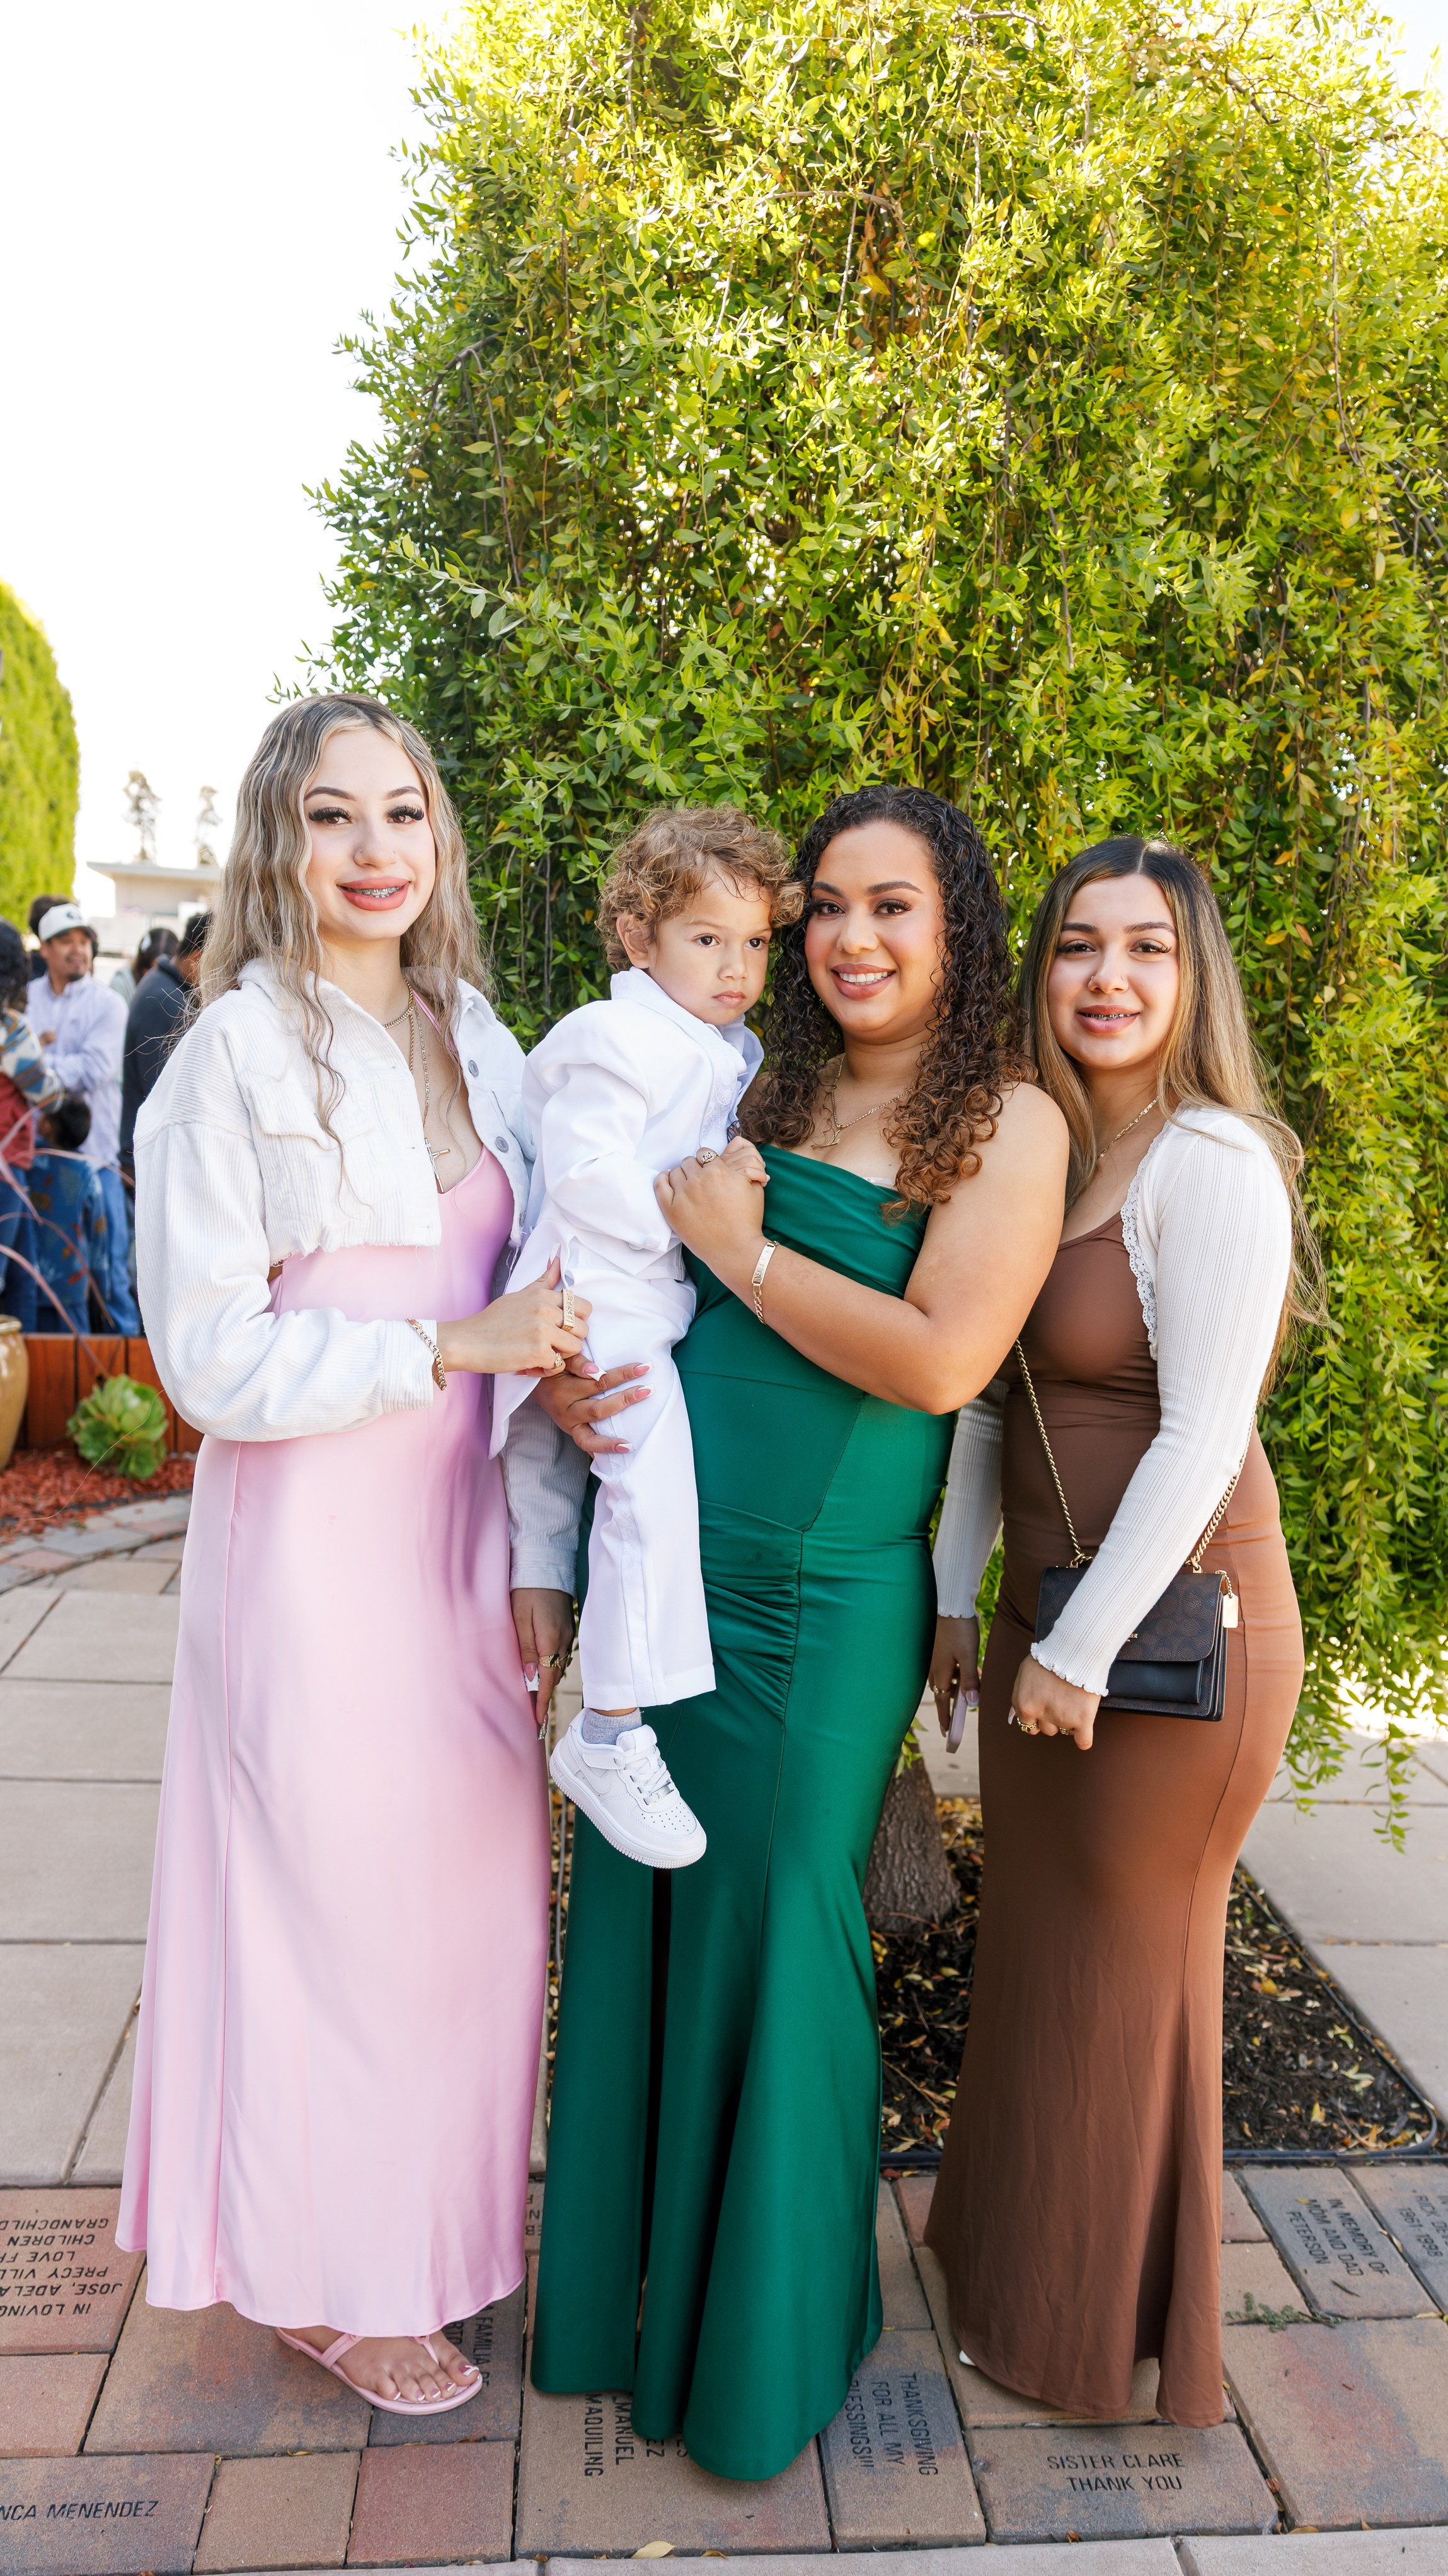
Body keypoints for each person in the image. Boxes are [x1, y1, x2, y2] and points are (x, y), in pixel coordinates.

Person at [520, 783, 1067, 2481]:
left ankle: (758, 2348)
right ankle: (641, 2312)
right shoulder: (760, 1074)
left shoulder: (1006, 1120)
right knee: (653, 1904)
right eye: (823, 905)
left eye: (888, 906)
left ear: (953, 930)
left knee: (785, 1923)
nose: (845, 935)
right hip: (665, 1569)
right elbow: (624, 1256)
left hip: (824, 1601)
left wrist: (741, 1249)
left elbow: (934, 1365)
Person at [118, 691, 586, 2417]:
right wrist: (448, 1351)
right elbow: (208, 1366)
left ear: (438, 840)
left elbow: (557, 1260)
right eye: (334, 817)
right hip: (313, 1558)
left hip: (461, 1545)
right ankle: (327, 2280)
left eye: (402, 813)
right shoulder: (231, 1057)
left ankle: (432, 2240)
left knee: (466, 1912)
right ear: (278, 842)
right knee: (327, 1911)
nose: (374, 850)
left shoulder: (479, 1034)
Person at [924, 833, 1316, 2429]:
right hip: (1046, 1621)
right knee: (1041, 1956)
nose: (1105, 978)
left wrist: (1075, 1652)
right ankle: (1003, 2278)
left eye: (1144, 948)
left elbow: (1205, 1430)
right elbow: (975, 1398)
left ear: (1190, 974)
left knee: (1122, 1975)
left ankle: (1084, 2343)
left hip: (1172, 1652)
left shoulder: (1210, 1161)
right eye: (1078, 946)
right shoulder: (1045, 1151)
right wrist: (963, 1598)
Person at [494, 807, 801, 1868]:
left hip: (636, 1296)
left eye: (755, 942)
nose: (736, 965)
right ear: (636, 938)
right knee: (646, 1486)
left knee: (619, 1482)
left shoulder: (709, 1044)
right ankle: (612, 1728)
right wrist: (704, 1210)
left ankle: (609, 1707)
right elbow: (582, 1177)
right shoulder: (615, 1035)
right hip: (596, 1293)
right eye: (707, 939)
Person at [26, 901, 141, 1334]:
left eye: (84, 941)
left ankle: (128, 1383)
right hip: (31, 1162)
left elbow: (94, 1069)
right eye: (66, 942)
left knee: (109, 1277)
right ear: (45, 950)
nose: (78, 950)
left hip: (94, 1163)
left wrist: (36, 1061)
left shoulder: (109, 1004)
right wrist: (47, 1062)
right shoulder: (27, 996)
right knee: (41, 1280)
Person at [0, 920, 63, 1329]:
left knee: (22, 1280)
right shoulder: (10, 1028)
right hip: (7, 1167)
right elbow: (47, 1094)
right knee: (15, 1279)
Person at [121, 913, 209, 1177]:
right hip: (150, 1162)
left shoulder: (163, 983)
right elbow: (174, 1101)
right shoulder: (168, 1003)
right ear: (197, 961)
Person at [28, 1094, 105, 1337]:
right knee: (74, 1366)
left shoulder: (27, 1164)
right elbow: (99, 1235)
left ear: (48, 1126)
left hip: (30, 1286)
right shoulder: (87, 1173)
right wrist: (102, 1289)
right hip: (73, 1289)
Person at [110, 924, 180, 1008]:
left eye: (162, 973)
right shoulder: (121, 986)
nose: (154, 978)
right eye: (149, 971)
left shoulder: (177, 993)